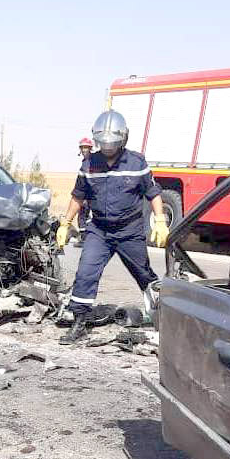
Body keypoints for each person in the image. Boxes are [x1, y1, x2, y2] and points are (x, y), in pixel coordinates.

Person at [56, 109, 169, 344]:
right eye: (103, 144)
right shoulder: (89, 165)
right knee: (85, 273)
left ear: (123, 139)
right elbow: (78, 197)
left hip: (130, 231)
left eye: (112, 144)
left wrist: (160, 220)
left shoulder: (137, 163)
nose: (107, 148)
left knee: (145, 275)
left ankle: (166, 320)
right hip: (99, 230)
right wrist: (65, 223)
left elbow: (154, 193)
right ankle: (79, 322)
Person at [73, 137, 93, 247]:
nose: (84, 150)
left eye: (86, 147)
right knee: (85, 217)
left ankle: (84, 239)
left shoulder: (89, 162)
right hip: (88, 196)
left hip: (88, 196)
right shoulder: (87, 161)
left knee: (82, 216)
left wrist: (85, 198)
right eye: (82, 147)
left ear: (90, 148)